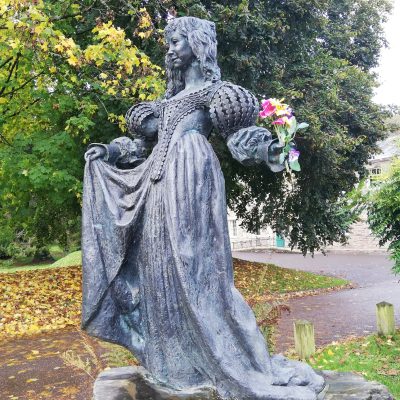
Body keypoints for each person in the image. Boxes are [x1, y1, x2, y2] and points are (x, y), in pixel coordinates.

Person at [82, 16, 324, 400]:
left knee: (197, 269)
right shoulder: (163, 104)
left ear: (197, 44)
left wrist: (270, 148)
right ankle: (176, 365)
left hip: (192, 178)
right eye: (169, 42)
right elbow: (139, 146)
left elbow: (241, 137)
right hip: (155, 187)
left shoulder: (217, 93)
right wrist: (108, 151)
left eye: (177, 41)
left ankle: (226, 362)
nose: (170, 49)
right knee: (158, 266)